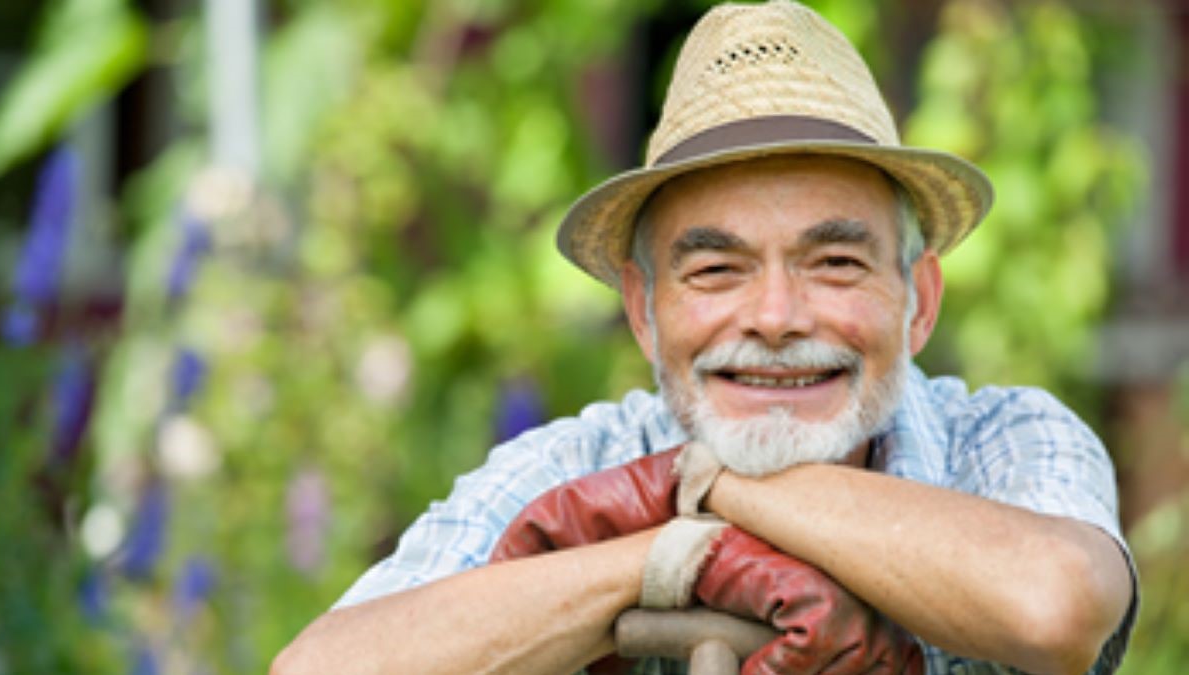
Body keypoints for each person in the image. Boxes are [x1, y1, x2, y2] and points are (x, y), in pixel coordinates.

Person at [272, 2, 1136, 674]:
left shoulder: (1003, 439)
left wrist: (710, 481)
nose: (773, 315)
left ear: (918, 299)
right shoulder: (584, 457)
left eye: (834, 262)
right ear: (644, 310)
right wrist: (663, 550)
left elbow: (1054, 607)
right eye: (716, 270)